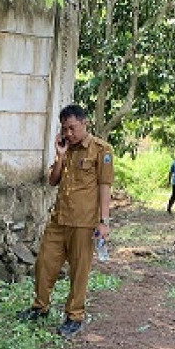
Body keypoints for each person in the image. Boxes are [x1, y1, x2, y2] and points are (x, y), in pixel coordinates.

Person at [17, 104, 114, 337]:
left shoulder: (101, 150)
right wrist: (59, 157)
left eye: (72, 128)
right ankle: (40, 307)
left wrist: (104, 221)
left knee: (79, 270)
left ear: (84, 123)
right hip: (59, 219)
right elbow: (53, 181)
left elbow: (104, 186)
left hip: (84, 223)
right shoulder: (66, 149)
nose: (68, 133)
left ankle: (75, 316)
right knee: (44, 264)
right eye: (64, 129)